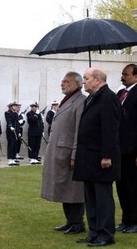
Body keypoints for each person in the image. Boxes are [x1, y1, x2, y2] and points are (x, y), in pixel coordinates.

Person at [73, 67, 121, 247]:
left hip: (101, 159)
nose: (83, 81)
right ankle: (94, 232)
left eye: (86, 78)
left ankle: (106, 234)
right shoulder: (93, 98)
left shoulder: (109, 98)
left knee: (103, 199)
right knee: (91, 198)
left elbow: (111, 130)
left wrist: (107, 156)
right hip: (88, 158)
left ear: (98, 79)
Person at [41, 71, 86, 236]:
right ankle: (70, 221)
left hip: (68, 153)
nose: (62, 83)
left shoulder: (80, 101)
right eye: (62, 81)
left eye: (66, 81)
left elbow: (79, 131)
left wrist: (75, 154)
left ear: (76, 84)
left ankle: (77, 222)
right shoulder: (67, 99)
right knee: (64, 188)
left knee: (74, 189)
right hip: (59, 152)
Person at [115, 63, 137, 233]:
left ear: (136, 76)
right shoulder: (120, 93)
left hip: (132, 150)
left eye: (126, 74)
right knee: (121, 187)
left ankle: (135, 221)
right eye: (122, 74)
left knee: (133, 187)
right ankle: (126, 220)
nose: (122, 77)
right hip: (119, 150)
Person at [5, 101, 19, 166]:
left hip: (15, 132)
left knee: (15, 145)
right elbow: (8, 120)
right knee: (11, 145)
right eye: (14, 106)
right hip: (10, 132)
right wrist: (10, 126)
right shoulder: (7, 113)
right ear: (11, 107)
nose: (15, 107)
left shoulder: (16, 114)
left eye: (16, 106)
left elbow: (17, 123)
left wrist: (18, 132)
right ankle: (10, 159)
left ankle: (13, 159)